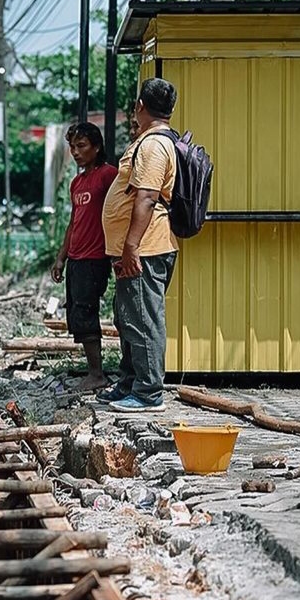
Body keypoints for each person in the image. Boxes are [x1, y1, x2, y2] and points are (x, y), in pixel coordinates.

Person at [99, 78, 179, 412]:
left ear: (140, 107)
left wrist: (131, 247)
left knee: (144, 319)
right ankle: (131, 381)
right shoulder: (147, 141)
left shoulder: (153, 146)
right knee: (128, 317)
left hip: (145, 249)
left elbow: (146, 198)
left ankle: (149, 394)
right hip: (136, 248)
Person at [51, 122, 118, 391]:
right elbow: (73, 222)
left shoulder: (108, 176)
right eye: (72, 147)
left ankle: (97, 374)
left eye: (81, 146)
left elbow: (120, 212)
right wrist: (60, 258)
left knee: (87, 312)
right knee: (77, 315)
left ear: (97, 147)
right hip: (77, 258)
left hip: (95, 257)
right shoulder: (77, 182)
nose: (76, 152)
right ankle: (93, 371)